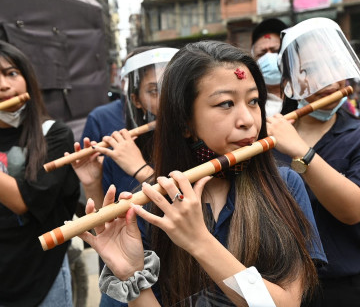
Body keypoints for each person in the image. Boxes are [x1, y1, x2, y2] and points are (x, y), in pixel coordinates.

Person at [79, 40, 327, 306]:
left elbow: (287, 303)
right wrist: (131, 276)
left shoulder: (285, 186)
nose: (249, 120)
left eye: (253, 101)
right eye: (226, 104)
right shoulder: (150, 205)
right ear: (185, 123)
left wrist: (198, 241)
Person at [72, 46, 178, 306]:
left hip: (179, 273)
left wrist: (140, 169)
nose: (165, 98)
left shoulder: (195, 140)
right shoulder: (114, 137)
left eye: (171, 86)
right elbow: (101, 220)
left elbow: (188, 206)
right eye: (154, 90)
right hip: (123, 273)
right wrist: (92, 181)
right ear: (136, 100)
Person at [266, 17, 360, 307]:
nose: (330, 79)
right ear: (287, 85)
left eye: (335, 64)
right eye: (312, 69)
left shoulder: (356, 134)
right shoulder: (267, 138)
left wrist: (301, 152)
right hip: (282, 288)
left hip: (346, 288)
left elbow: (352, 209)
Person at [0, 40, 80, 306]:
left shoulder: (54, 134)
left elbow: (23, 201)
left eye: (11, 73)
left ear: (27, 80)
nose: (3, 85)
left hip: (41, 274)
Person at [251, 18, 292, 116]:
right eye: (261, 54)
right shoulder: (253, 105)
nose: (269, 57)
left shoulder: (307, 94)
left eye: (275, 51)